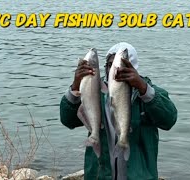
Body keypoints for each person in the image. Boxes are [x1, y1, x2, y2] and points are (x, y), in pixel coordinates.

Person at [60, 42, 177, 180]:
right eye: (109, 65)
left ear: (134, 68)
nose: (114, 69)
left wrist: (142, 87)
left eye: (124, 66)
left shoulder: (148, 93)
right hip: (100, 175)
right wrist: (75, 86)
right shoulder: (95, 92)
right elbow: (68, 120)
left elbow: (169, 120)